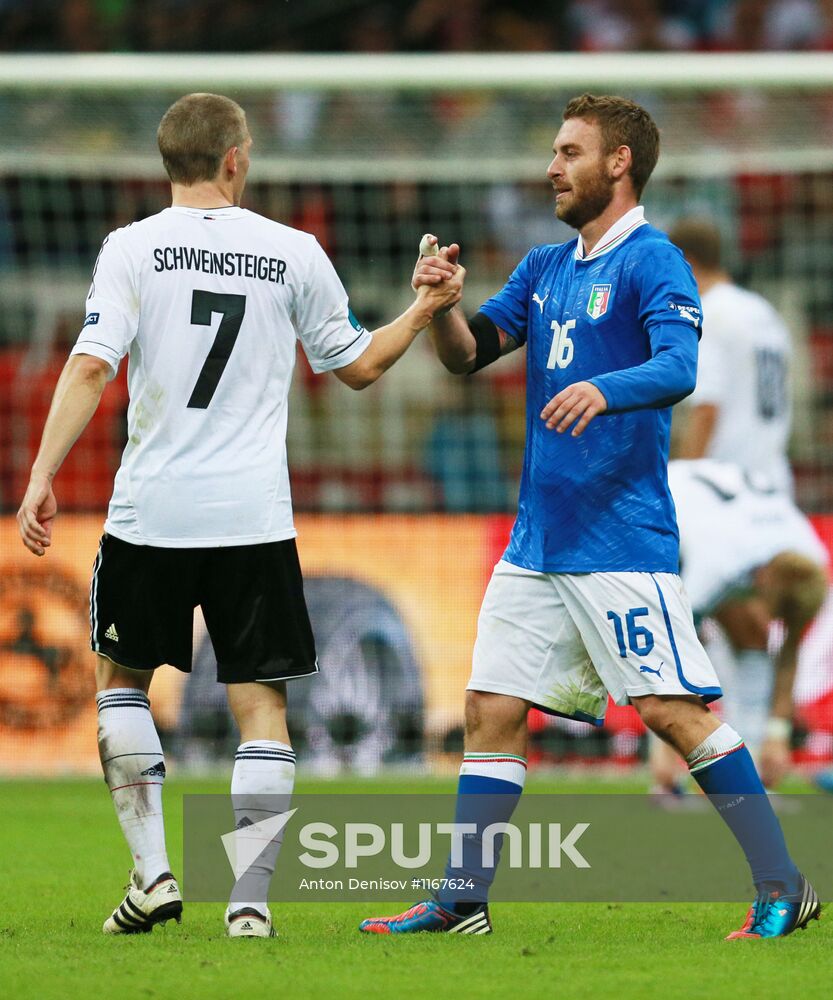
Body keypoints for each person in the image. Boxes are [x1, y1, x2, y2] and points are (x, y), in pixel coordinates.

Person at [359, 93, 820, 940]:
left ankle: (783, 884)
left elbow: (679, 366)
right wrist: (440, 304)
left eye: (568, 152)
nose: (551, 167)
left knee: (672, 714)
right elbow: (469, 359)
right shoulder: (544, 266)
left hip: (618, 537)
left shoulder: (656, 262)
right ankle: (463, 901)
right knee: (489, 709)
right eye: (553, 152)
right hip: (538, 537)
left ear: (618, 163)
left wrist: (601, 389)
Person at [16, 92, 463, 939]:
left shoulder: (130, 248)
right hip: (253, 518)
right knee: (260, 704)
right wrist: (424, 309)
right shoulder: (291, 251)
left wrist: (42, 473)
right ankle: (250, 902)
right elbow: (360, 367)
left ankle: (153, 877)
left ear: (166, 162)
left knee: (122, 685)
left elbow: (88, 366)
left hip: (152, 512)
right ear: (237, 160)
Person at [650, 459, 828, 794]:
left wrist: (778, 733)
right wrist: (665, 748)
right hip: (658, 499)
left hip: (727, 511)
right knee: (687, 637)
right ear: (761, 583)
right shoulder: (715, 568)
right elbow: (668, 648)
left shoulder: (813, 563)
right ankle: (675, 770)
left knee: (753, 640)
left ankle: (748, 765)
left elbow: (789, 651)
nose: (773, 624)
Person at [668, 217, 792, 494]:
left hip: (729, 487)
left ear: (686, 262)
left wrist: (686, 483)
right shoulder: (764, 311)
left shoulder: (710, 315)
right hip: (774, 478)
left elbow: (707, 411)